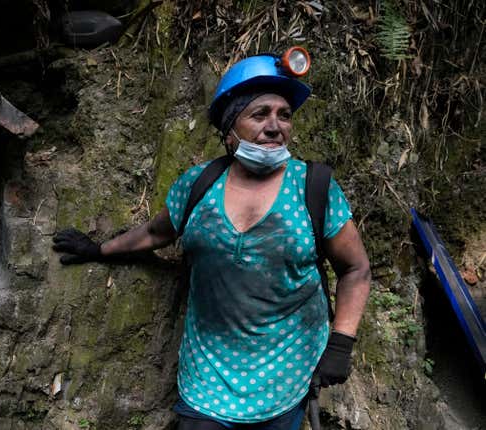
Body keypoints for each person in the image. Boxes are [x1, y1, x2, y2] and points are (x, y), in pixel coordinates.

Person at [53, 52, 371, 430]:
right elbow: (156, 233)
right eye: (259, 114)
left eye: (283, 115)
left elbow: (355, 269)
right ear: (229, 129)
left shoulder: (313, 187)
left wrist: (341, 343)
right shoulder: (198, 185)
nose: (275, 126)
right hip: (208, 377)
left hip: (289, 372)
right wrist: (99, 249)